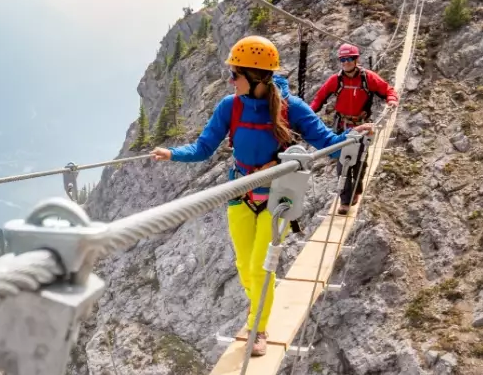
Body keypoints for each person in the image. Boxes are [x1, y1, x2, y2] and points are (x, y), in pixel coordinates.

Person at [151, 35, 373, 357]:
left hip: (278, 196)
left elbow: (325, 140)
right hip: (241, 194)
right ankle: (258, 306)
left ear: (254, 77)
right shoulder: (230, 106)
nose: (230, 81)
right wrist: (171, 154)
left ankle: (259, 327)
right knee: (244, 265)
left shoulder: (290, 108)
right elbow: (202, 148)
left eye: (235, 74)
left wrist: (350, 139)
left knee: (259, 267)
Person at [309, 43, 398, 215]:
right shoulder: (336, 80)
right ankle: (345, 201)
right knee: (343, 164)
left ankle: (357, 189)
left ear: (357, 59)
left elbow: (387, 90)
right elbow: (319, 98)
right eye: (343, 59)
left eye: (350, 59)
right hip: (342, 126)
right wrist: (306, 114)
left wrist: (392, 99)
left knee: (360, 163)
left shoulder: (368, 78)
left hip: (363, 125)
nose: (346, 62)